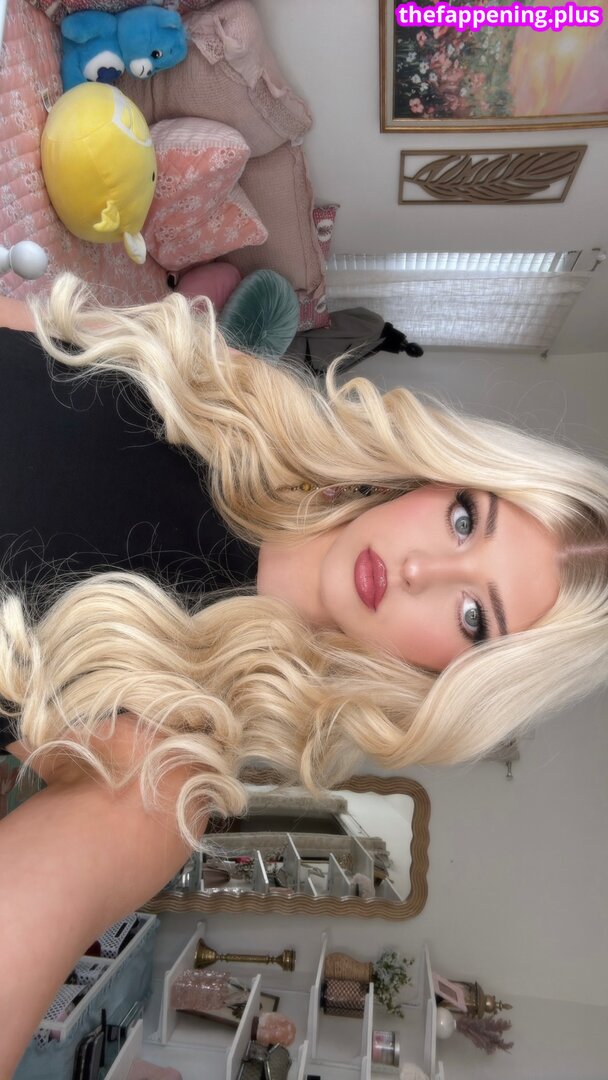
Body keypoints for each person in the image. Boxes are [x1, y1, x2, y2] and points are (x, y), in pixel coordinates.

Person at [0, 275, 606, 1072]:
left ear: (453, 681)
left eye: (472, 617)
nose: (420, 569)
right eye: (464, 519)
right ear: (439, 474)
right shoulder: (206, 387)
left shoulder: (169, 766)